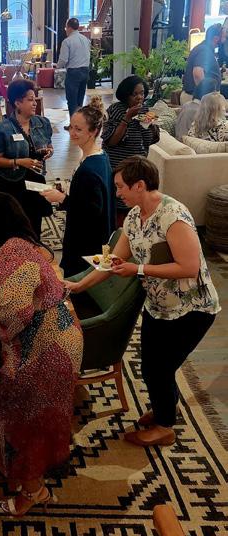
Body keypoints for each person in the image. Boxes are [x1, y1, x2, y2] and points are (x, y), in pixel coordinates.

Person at [65, 156, 220, 447]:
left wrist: (139, 269)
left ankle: (165, 428)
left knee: (160, 368)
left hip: (192, 309)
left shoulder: (173, 216)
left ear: (139, 185)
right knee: (151, 365)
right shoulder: (135, 216)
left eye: (120, 187)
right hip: (159, 305)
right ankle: (165, 408)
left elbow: (189, 267)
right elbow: (114, 260)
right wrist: (78, 285)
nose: (117, 193)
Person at [0, 192, 83, 517]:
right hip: (60, 335)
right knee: (29, 413)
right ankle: (26, 472)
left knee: (21, 416)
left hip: (46, 348)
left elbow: (13, 312)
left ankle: (34, 490)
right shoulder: (23, 246)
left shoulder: (12, 252)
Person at [41, 97, 116, 277]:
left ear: (93, 131)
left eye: (78, 129)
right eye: (71, 127)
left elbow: (90, 211)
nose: (72, 133)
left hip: (86, 241)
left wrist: (62, 199)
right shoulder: (101, 156)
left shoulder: (89, 170)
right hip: (99, 236)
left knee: (79, 280)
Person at [0, 78, 54, 240]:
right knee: (14, 225)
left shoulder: (42, 123)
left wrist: (49, 151)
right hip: (11, 182)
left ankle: (34, 248)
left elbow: (49, 145)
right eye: (30, 99)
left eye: (35, 99)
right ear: (18, 103)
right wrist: (19, 162)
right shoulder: (2, 129)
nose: (35, 103)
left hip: (36, 179)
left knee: (35, 223)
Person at [102, 75, 160, 171]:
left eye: (142, 93)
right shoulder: (116, 110)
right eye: (134, 94)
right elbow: (110, 142)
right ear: (126, 95)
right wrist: (127, 117)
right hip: (117, 167)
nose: (139, 97)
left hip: (138, 167)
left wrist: (152, 126)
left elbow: (151, 140)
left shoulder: (144, 110)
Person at [55, 18, 91, 125]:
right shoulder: (86, 39)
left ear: (69, 27)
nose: (65, 30)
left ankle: (73, 125)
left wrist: (57, 67)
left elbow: (63, 59)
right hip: (85, 71)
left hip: (74, 72)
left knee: (72, 100)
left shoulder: (67, 41)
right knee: (80, 99)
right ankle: (80, 123)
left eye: (66, 27)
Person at [182, 23, 223, 104]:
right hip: (198, 99)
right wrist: (206, 98)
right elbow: (197, 73)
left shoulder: (205, 49)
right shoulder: (204, 51)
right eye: (224, 37)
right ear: (216, 39)